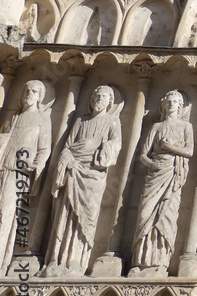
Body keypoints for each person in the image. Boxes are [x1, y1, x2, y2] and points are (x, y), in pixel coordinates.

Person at [45, 85, 122, 275]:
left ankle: (76, 261)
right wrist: (68, 158)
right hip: (72, 170)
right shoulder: (81, 120)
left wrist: (102, 150)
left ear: (110, 102)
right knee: (64, 215)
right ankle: (56, 259)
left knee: (86, 217)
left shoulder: (113, 122)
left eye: (103, 97)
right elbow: (68, 146)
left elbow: (116, 144)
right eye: (96, 96)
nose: (98, 99)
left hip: (93, 175)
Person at [131, 90, 194, 274]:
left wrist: (170, 147)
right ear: (163, 105)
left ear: (181, 106)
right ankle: (140, 260)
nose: (172, 104)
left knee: (167, 214)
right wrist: (151, 164)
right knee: (145, 213)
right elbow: (143, 154)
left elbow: (189, 151)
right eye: (169, 101)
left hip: (172, 174)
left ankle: (161, 262)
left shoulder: (186, 127)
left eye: (176, 102)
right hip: (155, 173)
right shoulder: (156, 127)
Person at [0, 80, 51, 274]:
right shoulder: (14, 117)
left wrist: (36, 165)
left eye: (34, 91)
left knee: (7, 215)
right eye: (26, 90)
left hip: (19, 172)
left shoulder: (42, 118)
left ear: (40, 97)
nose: (29, 93)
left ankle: (2, 262)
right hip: (3, 168)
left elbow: (44, 148)